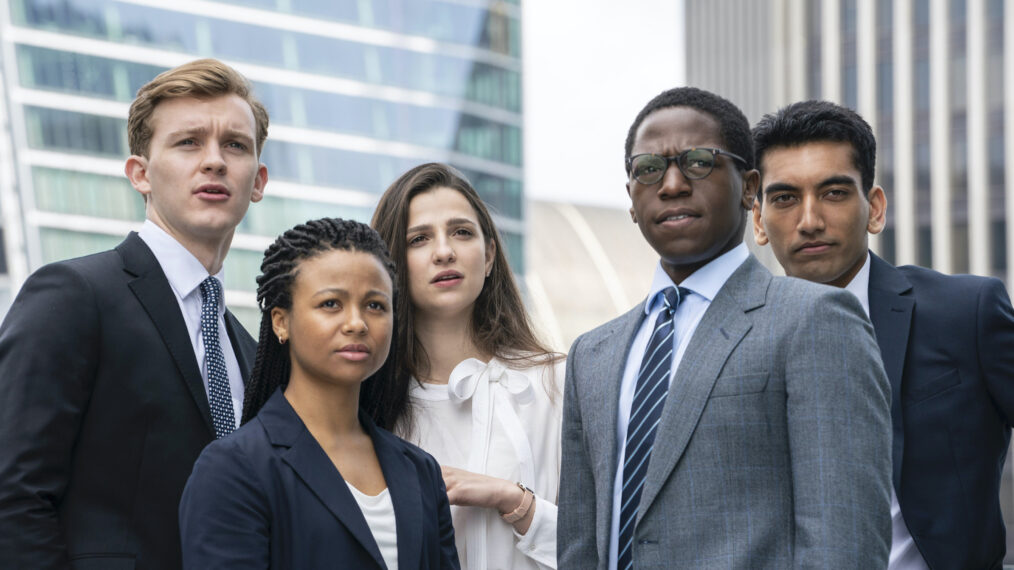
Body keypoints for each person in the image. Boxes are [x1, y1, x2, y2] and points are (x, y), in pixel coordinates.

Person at [557, 87, 894, 570]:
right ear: (631, 199)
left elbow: (845, 544)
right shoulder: (591, 354)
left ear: (750, 188)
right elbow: (578, 547)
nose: (671, 184)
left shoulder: (816, 319)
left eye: (698, 162)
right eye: (649, 168)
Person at [0, 58, 266, 569]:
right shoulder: (72, 296)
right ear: (140, 174)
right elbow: (13, 494)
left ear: (258, 181)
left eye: (235, 145)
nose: (214, 161)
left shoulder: (252, 355)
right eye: (188, 142)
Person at [751, 99, 1014, 569]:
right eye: (785, 198)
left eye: (833, 193)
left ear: (874, 209)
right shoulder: (734, 344)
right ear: (759, 222)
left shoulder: (966, 313)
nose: (809, 220)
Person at [178, 218, 459, 569]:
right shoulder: (233, 469)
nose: (357, 323)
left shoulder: (420, 471)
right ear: (281, 321)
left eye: (375, 305)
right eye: (331, 304)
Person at [368, 163, 564, 569]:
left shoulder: (555, 383)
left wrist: (517, 501)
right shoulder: (368, 405)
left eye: (461, 232)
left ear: (489, 254)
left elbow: (605, 543)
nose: (444, 251)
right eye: (419, 238)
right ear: (390, 266)